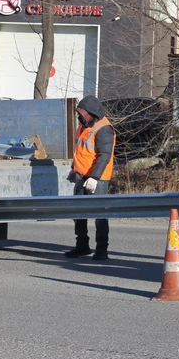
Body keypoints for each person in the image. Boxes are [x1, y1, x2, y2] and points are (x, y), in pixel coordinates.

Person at [64, 95, 116, 261]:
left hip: (97, 178)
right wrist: (74, 169)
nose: (78, 115)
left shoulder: (104, 129)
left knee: (100, 214)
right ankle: (82, 245)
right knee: (78, 212)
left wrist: (94, 177)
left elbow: (104, 156)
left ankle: (102, 249)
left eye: (81, 112)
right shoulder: (83, 126)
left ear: (90, 112)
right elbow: (81, 151)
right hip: (81, 175)